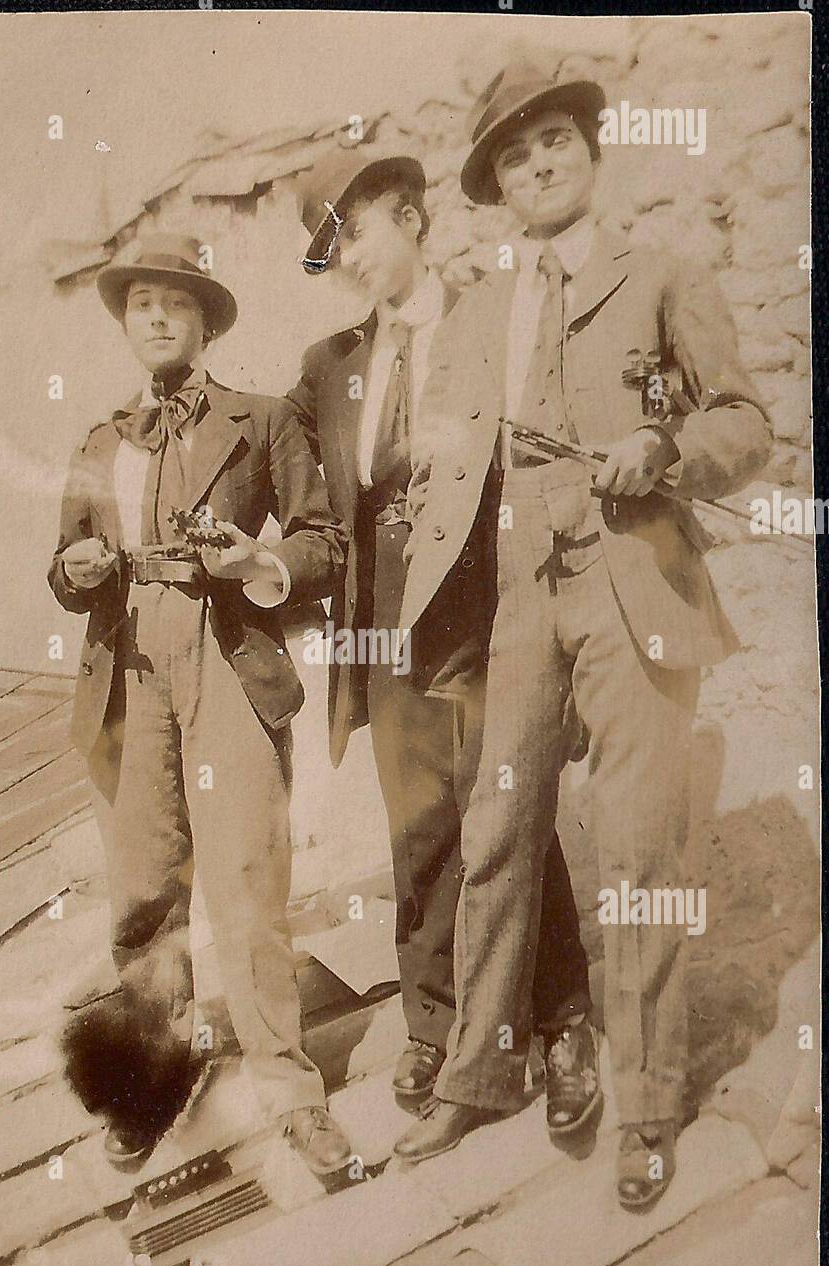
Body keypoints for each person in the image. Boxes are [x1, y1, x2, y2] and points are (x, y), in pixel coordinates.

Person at [393, 64, 771, 1206]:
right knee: (498, 829)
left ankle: (650, 1102)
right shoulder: (477, 315)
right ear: (498, 185)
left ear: (590, 151)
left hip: (635, 592)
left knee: (640, 855)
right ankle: (480, 1068)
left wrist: (668, 452)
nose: (540, 165)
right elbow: (445, 456)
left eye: (555, 141)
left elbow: (745, 421)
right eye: (516, 155)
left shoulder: (660, 275)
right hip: (520, 605)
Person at [289, 150, 594, 1124]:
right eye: (334, 249)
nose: (350, 259)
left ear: (413, 217)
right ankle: (436, 1023)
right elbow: (293, 486)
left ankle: (560, 1021)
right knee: (418, 828)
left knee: (505, 812)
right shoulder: (331, 366)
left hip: (481, 605)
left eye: (360, 231)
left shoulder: (494, 315)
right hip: (381, 625)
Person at [50, 234, 353, 1175]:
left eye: (174, 304)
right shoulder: (99, 441)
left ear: (204, 322)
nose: (154, 318)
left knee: (248, 884)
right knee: (143, 892)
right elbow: (59, 572)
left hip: (225, 659)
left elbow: (325, 541)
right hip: (128, 670)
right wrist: (77, 567)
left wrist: (252, 562)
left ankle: (292, 1091)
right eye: (140, 303)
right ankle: (149, 1082)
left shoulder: (260, 421)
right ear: (125, 322)